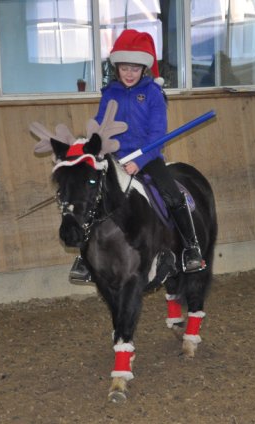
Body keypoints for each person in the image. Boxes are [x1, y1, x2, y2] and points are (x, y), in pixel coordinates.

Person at [69, 29, 205, 284]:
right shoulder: (110, 93)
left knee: (172, 195)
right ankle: (84, 258)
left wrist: (139, 162)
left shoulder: (153, 93)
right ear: (117, 68)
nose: (129, 73)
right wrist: (92, 147)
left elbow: (157, 134)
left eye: (135, 68)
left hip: (148, 156)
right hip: (114, 157)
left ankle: (191, 247)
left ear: (144, 69)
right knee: (91, 196)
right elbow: (101, 125)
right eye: (124, 68)